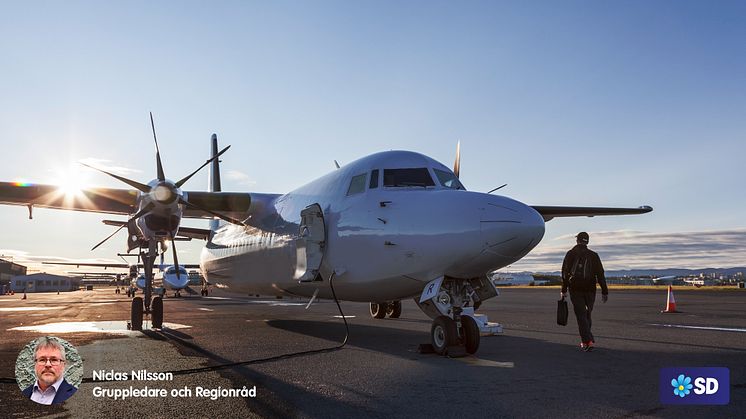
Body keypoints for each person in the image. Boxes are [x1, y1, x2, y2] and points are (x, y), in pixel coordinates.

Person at [561, 232, 608, 352]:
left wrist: (564, 289)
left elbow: (565, 273)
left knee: (581, 315)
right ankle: (586, 341)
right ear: (587, 241)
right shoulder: (594, 255)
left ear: (577, 241)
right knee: (587, 315)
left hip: (575, 289)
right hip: (590, 289)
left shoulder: (571, 254)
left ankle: (588, 341)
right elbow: (600, 274)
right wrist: (604, 291)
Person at [22, 337, 77, 404]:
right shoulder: (25, 393)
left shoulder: (76, 395)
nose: (48, 365)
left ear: (63, 365)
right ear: (35, 364)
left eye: (54, 360)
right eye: (42, 360)